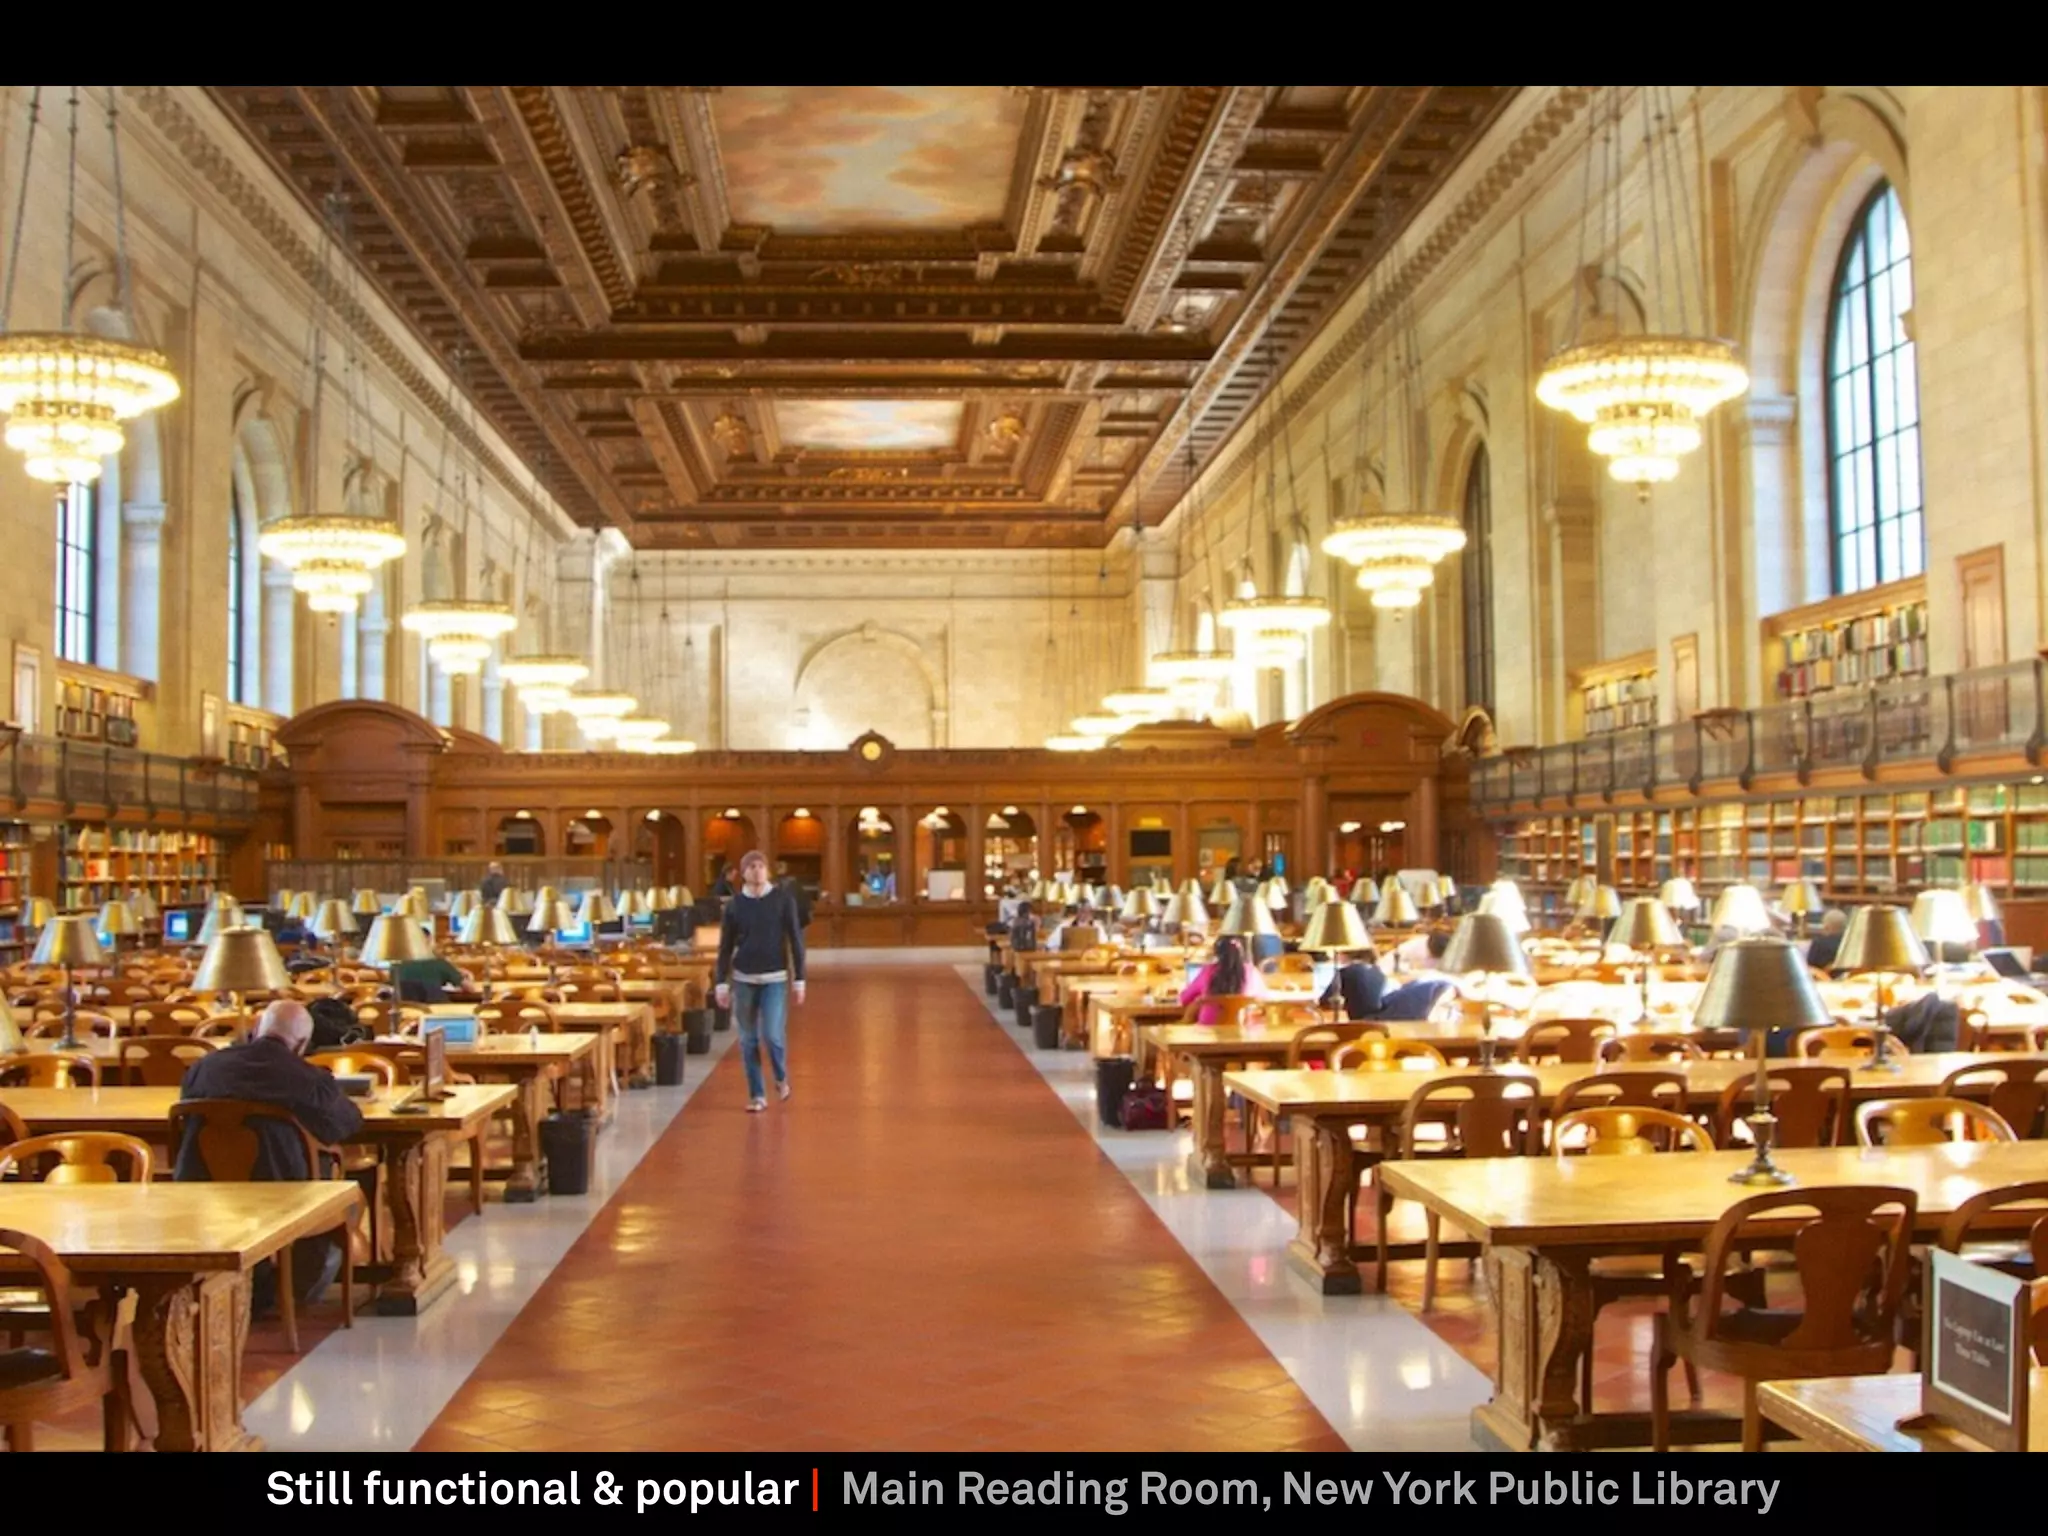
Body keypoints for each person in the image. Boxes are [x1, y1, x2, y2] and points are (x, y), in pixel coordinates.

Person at [175, 1000, 364, 1307]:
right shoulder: (307, 1078)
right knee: (346, 1196)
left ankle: (242, 1287)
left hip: (205, 1188)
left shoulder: (204, 1068)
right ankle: (293, 1293)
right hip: (285, 1194)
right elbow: (348, 1124)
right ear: (302, 1043)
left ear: (255, 1030)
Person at [713, 850, 806, 1113]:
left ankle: (780, 1076)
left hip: (775, 977)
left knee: (773, 1035)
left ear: (768, 871)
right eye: (751, 866)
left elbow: (795, 940)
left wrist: (800, 979)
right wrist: (721, 982)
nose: (757, 870)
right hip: (743, 978)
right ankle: (757, 1094)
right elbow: (725, 946)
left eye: (761, 866)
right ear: (742, 873)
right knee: (748, 1039)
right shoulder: (734, 906)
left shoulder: (782, 900)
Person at [1179, 936, 1267, 1025]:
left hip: (1208, 1032)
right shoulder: (1251, 971)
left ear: (1217, 953)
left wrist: (1201, 997)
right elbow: (1263, 999)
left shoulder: (1209, 970)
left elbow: (1184, 999)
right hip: (1244, 1031)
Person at [1322, 949, 1389, 1020]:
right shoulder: (1378, 972)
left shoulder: (1345, 972)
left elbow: (1325, 1001)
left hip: (1357, 1022)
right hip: (1378, 1020)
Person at [389, 950, 469, 1002]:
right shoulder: (439, 963)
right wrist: (468, 976)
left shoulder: (397, 966)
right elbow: (468, 988)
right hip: (437, 1010)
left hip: (409, 1012)